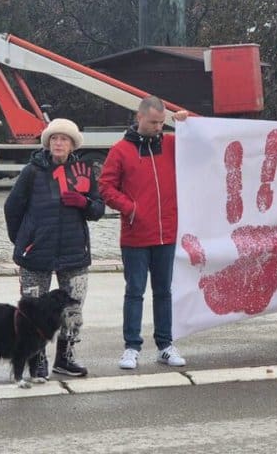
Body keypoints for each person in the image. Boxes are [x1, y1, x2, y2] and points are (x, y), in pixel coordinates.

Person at [4, 118, 105, 379]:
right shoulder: (32, 171)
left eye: (65, 139)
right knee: (33, 310)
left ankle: (66, 357)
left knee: (72, 310)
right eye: (55, 139)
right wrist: (23, 240)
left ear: (72, 145)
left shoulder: (83, 172)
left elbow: (98, 210)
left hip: (74, 253)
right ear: (48, 143)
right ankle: (37, 358)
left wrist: (84, 202)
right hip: (37, 253)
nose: (59, 143)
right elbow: (12, 207)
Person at [99, 96, 188, 370]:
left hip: (167, 234)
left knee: (164, 292)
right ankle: (131, 347)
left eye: (162, 123)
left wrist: (187, 121)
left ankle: (165, 345)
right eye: (153, 122)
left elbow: (203, 141)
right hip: (135, 236)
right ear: (139, 118)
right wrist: (131, 208)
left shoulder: (173, 144)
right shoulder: (120, 151)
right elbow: (105, 187)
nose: (159, 127)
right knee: (134, 291)